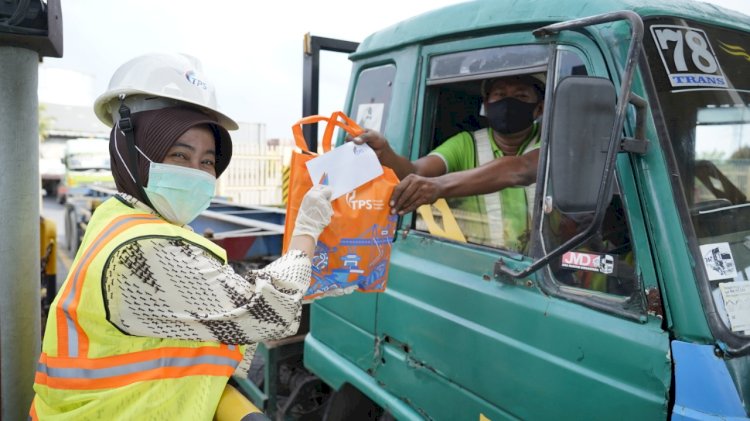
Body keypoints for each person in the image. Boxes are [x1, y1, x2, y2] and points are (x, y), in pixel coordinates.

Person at [30, 53, 334, 420]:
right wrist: (306, 234)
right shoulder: (140, 250)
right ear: (130, 151)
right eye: (179, 155)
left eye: (207, 162)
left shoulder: (118, 217)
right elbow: (270, 313)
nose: (197, 173)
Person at [353, 73, 545, 251]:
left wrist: (438, 186)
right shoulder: (466, 143)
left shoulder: (553, 142)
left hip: (541, 270)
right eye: (499, 95)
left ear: (540, 108)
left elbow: (521, 169)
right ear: (486, 105)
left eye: (521, 97)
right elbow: (416, 171)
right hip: (481, 260)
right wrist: (384, 153)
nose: (508, 103)